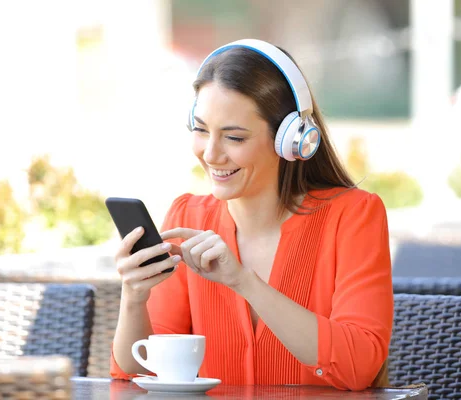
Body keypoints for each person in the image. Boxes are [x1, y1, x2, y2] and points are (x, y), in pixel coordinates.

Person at [110, 39, 393, 391]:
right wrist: (134, 298)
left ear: (292, 139)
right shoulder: (188, 218)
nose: (211, 154)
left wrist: (244, 282)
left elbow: (359, 366)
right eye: (200, 130)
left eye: (234, 137)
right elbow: (136, 373)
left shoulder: (353, 216)